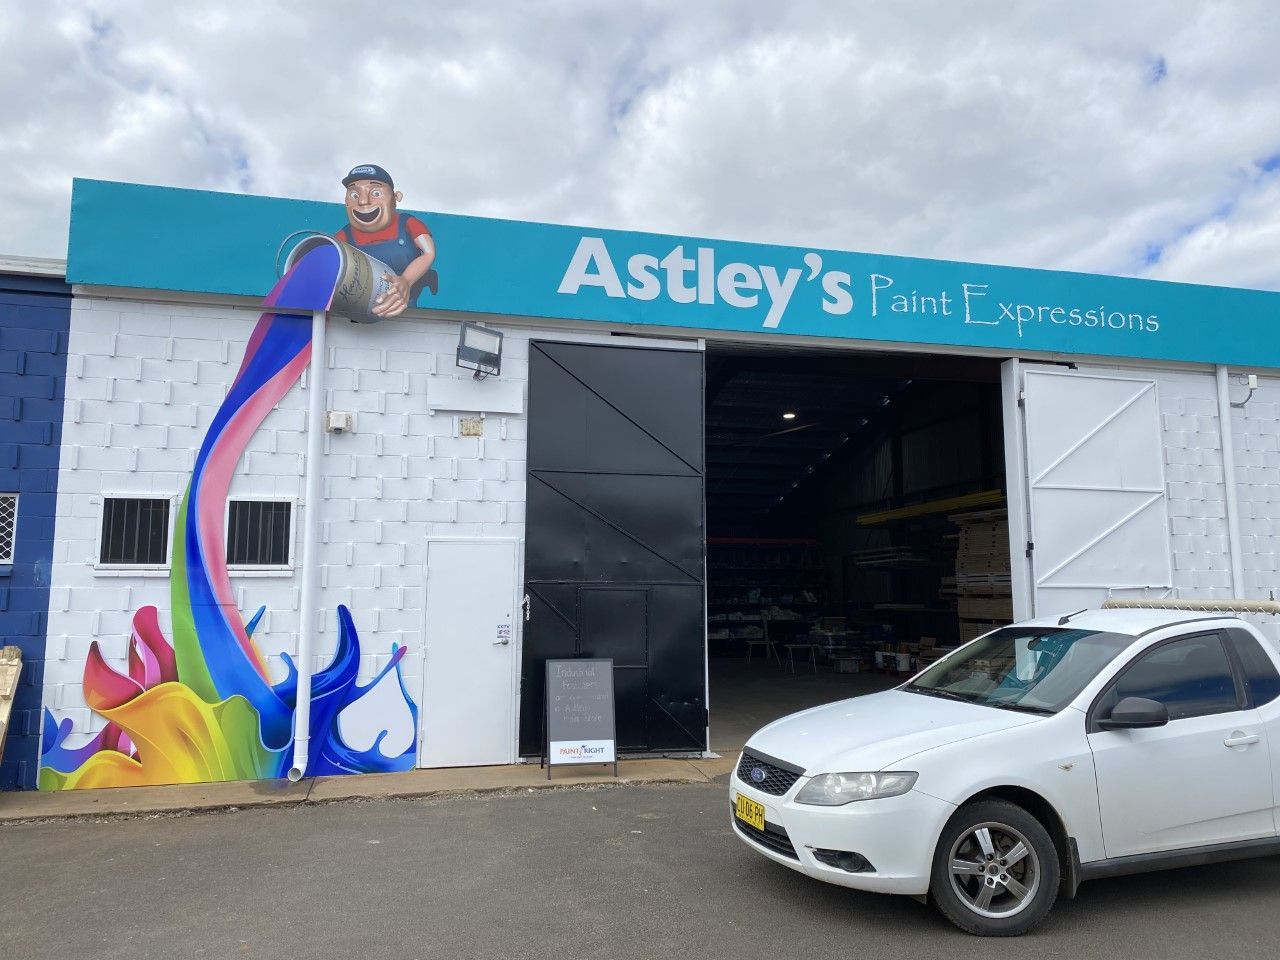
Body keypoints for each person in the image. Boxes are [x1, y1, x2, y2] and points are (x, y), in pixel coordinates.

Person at [334, 163, 438, 317]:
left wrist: (406, 281)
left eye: (375, 193)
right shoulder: (344, 235)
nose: (363, 201)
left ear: (396, 198)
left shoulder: (408, 223)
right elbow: (328, 260)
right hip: (360, 311)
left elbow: (428, 253)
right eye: (354, 195)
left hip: (409, 309)